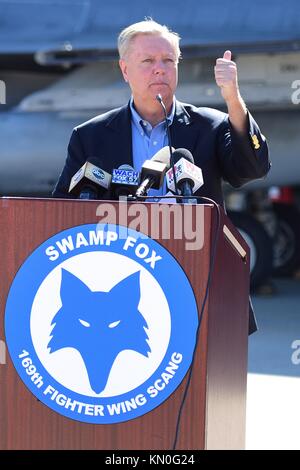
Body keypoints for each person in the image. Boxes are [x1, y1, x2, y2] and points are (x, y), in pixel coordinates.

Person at [52, 19, 271, 333]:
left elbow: (254, 168)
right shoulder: (91, 136)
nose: (160, 69)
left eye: (169, 60)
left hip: (198, 280)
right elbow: (62, 211)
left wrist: (233, 99)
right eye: (148, 61)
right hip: (119, 290)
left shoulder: (211, 126)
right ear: (125, 69)